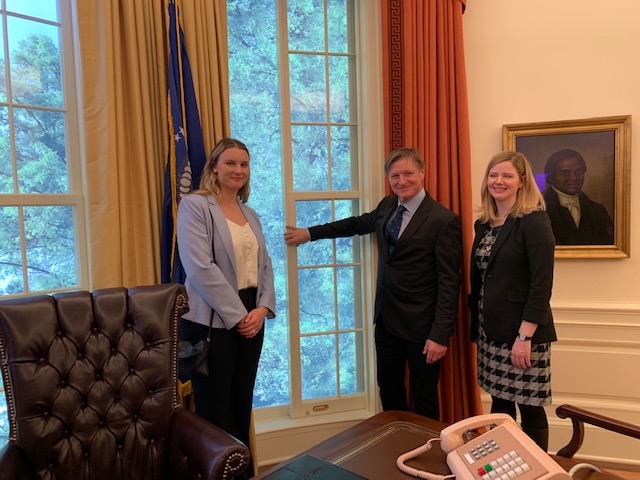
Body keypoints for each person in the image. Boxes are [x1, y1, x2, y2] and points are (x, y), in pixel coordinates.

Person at [284, 147, 462, 421]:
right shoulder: (388, 206)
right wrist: (310, 233)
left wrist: (440, 334)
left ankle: (430, 457)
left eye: (408, 174)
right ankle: (394, 447)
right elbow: (355, 224)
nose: (401, 181)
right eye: (395, 176)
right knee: (389, 390)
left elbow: (450, 283)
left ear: (422, 173)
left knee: (424, 396)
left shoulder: (443, 220)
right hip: (387, 320)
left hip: (423, 328)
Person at [177, 137, 276, 478]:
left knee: (241, 400)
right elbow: (200, 267)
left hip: (253, 315)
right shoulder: (195, 206)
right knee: (215, 407)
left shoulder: (251, 213)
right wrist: (238, 317)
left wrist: (262, 309)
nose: (238, 170)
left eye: (244, 165)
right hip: (213, 318)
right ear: (215, 167)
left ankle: (243, 474)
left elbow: (265, 266)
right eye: (231, 163)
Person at [469, 151, 556, 451]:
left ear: (521, 181)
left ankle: (536, 469)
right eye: (493, 175)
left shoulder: (534, 221)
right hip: (490, 330)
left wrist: (524, 336)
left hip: (523, 334)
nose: (498, 181)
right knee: (499, 400)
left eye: (507, 175)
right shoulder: (484, 223)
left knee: (530, 406)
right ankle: (504, 464)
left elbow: (541, 285)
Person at [542, 148, 614, 245]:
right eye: (565, 173)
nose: (574, 178)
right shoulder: (538, 210)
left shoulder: (598, 210)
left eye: (578, 172)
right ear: (551, 177)